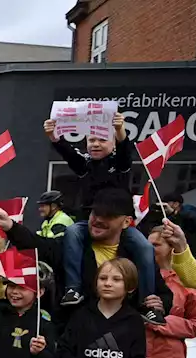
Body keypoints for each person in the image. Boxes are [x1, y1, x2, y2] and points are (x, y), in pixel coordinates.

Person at [0, 190, 172, 326]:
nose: (98, 220)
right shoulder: (71, 245)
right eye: (95, 213)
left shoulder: (138, 255)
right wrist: (11, 227)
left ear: (126, 222)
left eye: (108, 216)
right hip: (74, 340)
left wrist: (160, 303)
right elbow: (38, 245)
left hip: (119, 343)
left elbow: (163, 294)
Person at [43, 115, 157, 317]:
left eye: (102, 140)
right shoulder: (85, 165)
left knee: (145, 247)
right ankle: (73, 289)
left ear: (113, 143)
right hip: (88, 223)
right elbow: (68, 153)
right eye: (91, 140)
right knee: (71, 233)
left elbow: (125, 150)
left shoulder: (120, 164)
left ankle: (148, 303)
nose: (95, 144)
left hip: (120, 225)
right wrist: (53, 136)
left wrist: (120, 130)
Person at [142, 226, 196, 358]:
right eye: (146, 244)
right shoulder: (136, 275)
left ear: (171, 246)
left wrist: (161, 322)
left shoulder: (188, 280)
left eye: (156, 245)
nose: (148, 249)